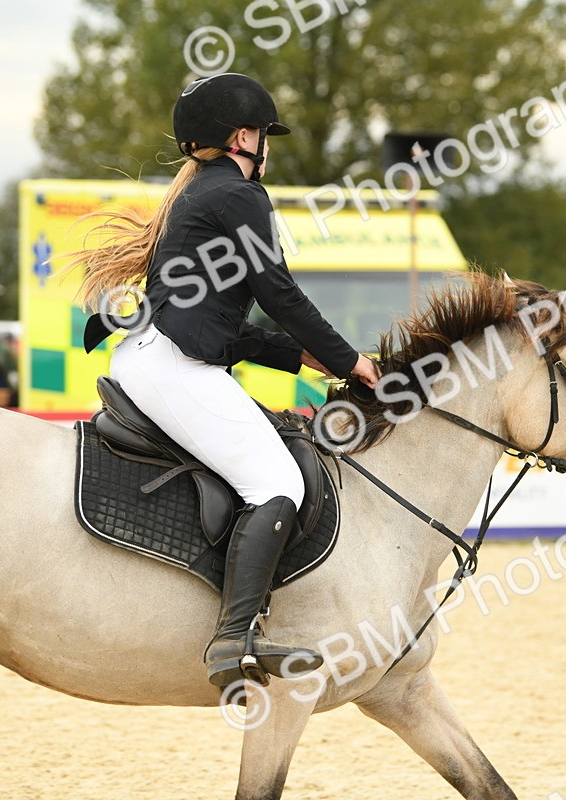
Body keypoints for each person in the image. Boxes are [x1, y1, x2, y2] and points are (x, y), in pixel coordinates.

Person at [71, 73, 381, 687]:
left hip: (163, 356)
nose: (269, 147)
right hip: (173, 366)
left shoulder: (201, 197)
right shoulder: (240, 197)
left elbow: (223, 327)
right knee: (277, 482)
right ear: (244, 137)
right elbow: (282, 295)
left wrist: (300, 360)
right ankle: (233, 637)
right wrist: (351, 362)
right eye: (265, 135)